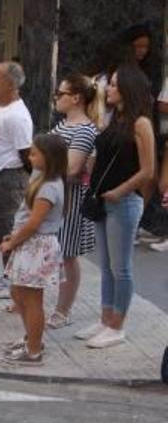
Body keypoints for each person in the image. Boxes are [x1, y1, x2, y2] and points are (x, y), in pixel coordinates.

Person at [75, 64, 156, 349]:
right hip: (103, 199)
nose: (108, 88)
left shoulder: (141, 124)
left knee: (121, 267)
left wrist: (119, 192)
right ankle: (105, 318)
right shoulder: (115, 118)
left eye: (113, 84)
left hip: (124, 203)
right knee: (107, 266)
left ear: (127, 88)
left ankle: (117, 325)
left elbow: (148, 170)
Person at [0, 134, 68, 367]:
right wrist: (15, 236)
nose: (29, 157)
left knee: (32, 299)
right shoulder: (42, 179)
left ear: (49, 158)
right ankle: (31, 338)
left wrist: (12, 242)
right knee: (18, 293)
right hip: (30, 244)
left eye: (35, 154)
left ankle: (34, 351)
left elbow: (33, 223)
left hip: (38, 246)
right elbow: (26, 218)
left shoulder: (49, 187)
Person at [0, 62, 35, 300]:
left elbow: (26, 153)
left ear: (11, 84)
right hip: (0, 175)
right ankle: (9, 274)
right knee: (2, 227)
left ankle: (12, 281)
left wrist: (29, 182)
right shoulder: (2, 107)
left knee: (8, 228)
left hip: (11, 177)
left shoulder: (17, 116)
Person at [49, 74, 100, 329]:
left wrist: (45, 169)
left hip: (69, 199)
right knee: (56, 252)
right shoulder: (63, 124)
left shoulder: (84, 129)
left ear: (76, 98)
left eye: (61, 94)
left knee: (67, 254)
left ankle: (63, 310)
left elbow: (72, 169)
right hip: (54, 195)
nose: (56, 98)